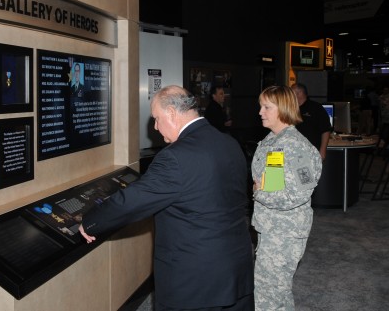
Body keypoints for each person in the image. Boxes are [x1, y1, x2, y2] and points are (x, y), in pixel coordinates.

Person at [78, 85, 254, 311]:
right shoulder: (228, 143)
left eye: (156, 118)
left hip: (196, 281)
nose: (155, 126)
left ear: (171, 113)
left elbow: (132, 201)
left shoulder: (175, 157)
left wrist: (90, 222)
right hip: (236, 266)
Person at [251, 85, 322, 311]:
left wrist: (259, 191)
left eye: (266, 107)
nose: (261, 112)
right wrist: (263, 189)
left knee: (271, 294)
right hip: (271, 227)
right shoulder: (273, 140)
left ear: (282, 109)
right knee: (272, 291)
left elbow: (296, 195)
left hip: (285, 232)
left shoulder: (297, 147)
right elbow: (274, 183)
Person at [290, 83, 332, 160]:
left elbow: (326, 130)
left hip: (312, 152)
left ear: (299, 93)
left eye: (291, 93)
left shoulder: (316, 108)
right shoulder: (291, 108)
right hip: (293, 151)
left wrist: (322, 151)